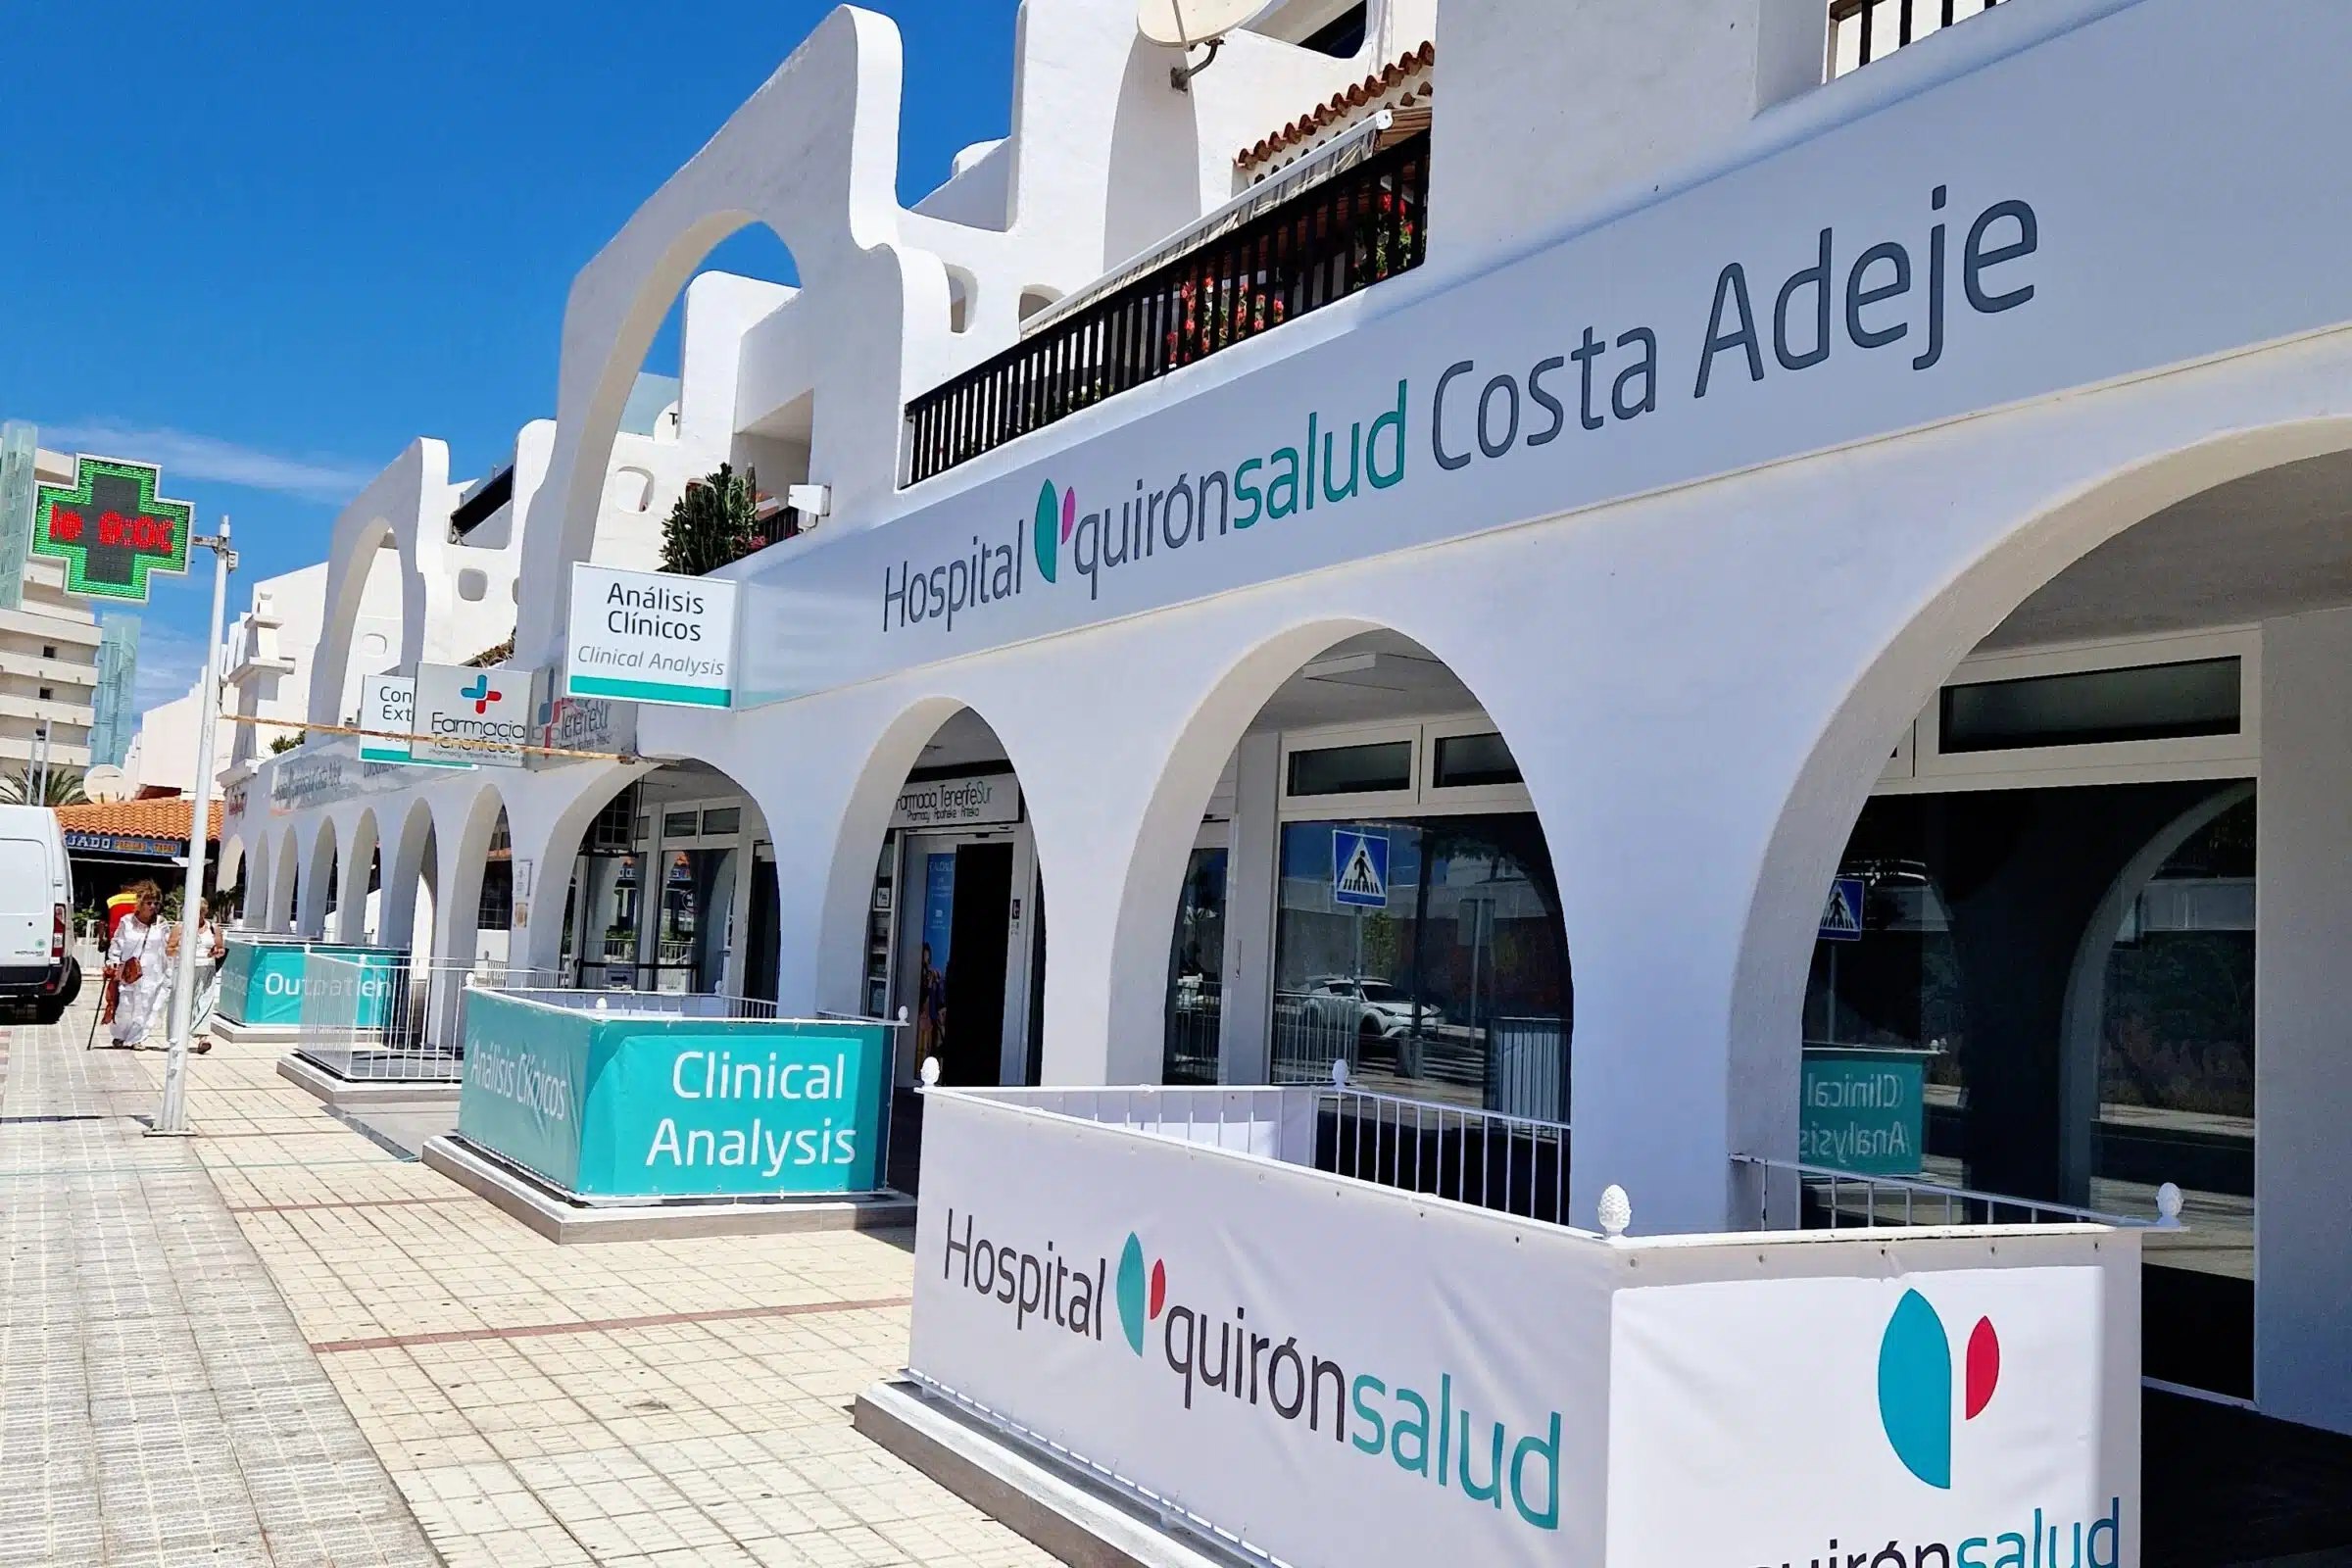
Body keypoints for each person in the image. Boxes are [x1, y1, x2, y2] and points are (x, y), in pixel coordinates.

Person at [103, 881, 175, 1051]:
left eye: (155, 903)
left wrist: (170, 969)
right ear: (140, 903)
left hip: (153, 973)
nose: (152, 907)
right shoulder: (126, 921)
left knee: (146, 1007)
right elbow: (117, 943)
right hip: (129, 972)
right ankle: (120, 1036)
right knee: (125, 1006)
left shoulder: (161, 923)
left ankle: (137, 1039)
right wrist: (112, 963)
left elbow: (167, 947)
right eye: (149, 903)